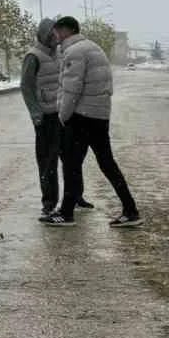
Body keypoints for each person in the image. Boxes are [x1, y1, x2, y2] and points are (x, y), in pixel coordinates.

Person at [45, 16, 140, 228]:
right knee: (106, 163)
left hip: (81, 118)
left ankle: (66, 214)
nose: (54, 36)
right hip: (99, 115)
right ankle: (130, 209)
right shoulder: (93, 48)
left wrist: (63, 116)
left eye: (56, 32)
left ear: (65, 31)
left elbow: (71, 89)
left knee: (71, 164)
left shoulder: (74, 52)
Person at [20, 19, 63, 215]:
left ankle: (75, 196)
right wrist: (36, 114)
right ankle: (49, 203)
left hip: (63, 113)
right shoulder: (33, 56)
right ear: (45, 35)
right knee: (47, 162)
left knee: (71, 159)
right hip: (45, 118)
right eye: (53, 34)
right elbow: (26, 87)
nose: (56, 37)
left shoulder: (59, 53)